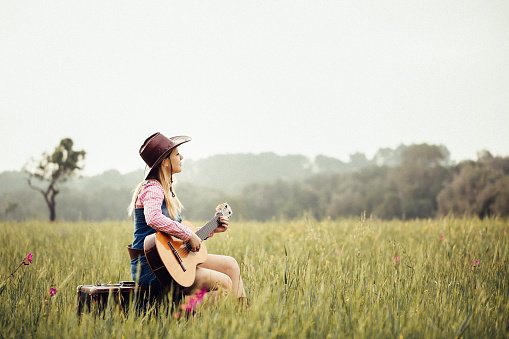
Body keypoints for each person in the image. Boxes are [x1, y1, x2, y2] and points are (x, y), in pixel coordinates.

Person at [127, 132, 246, 311]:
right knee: (224, 284)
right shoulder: (152, 188)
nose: (182, 157)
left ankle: (243, 315)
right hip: (152, 267)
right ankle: (183, 314)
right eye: (177, 154)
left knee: (230, 265)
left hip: (171, 261)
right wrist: (188, 234)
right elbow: (153, 218)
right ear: (165, 161)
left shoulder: (167, 191)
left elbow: (176, 238)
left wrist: (212, 228)